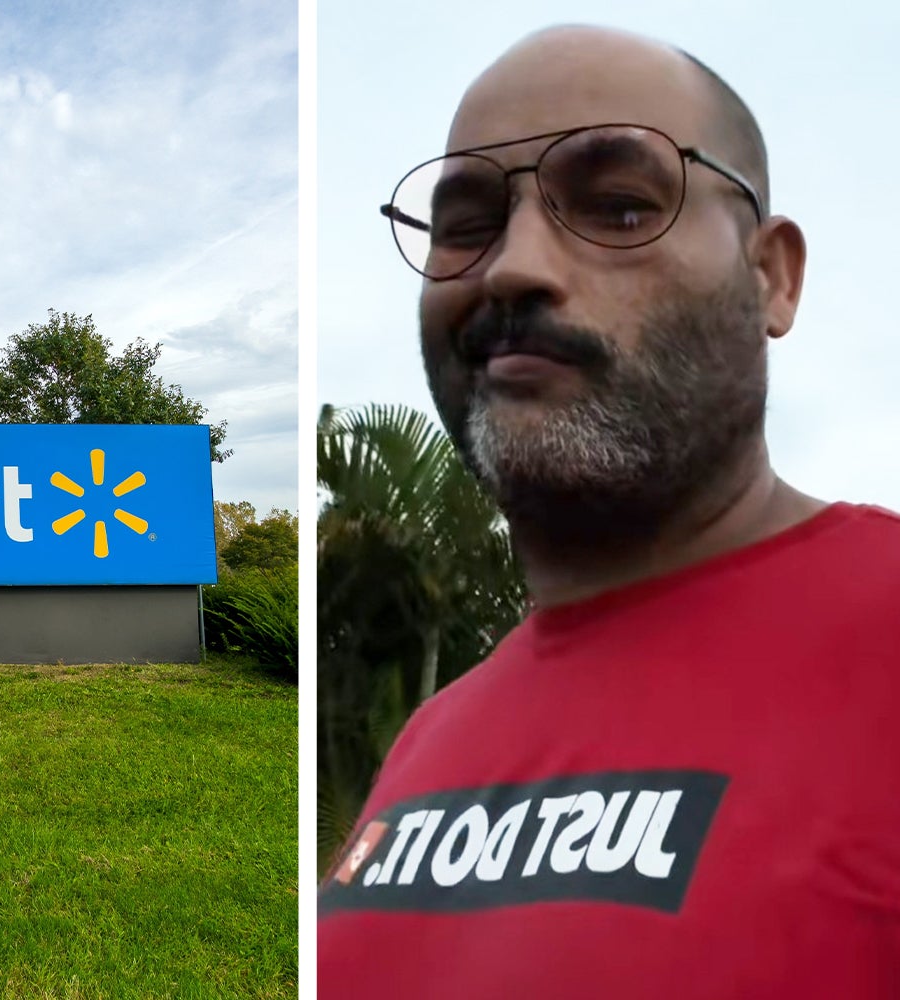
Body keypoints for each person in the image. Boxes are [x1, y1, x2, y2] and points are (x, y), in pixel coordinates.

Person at [318, 24, 900, 997]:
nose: (510, 268)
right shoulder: (431, 736)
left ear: (771, 275)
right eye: (465, 222)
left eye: (619, 207)